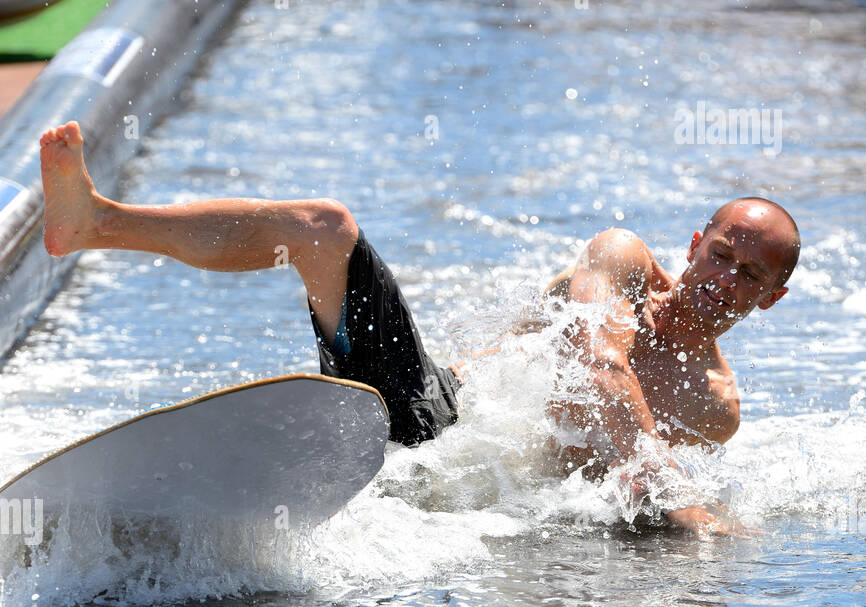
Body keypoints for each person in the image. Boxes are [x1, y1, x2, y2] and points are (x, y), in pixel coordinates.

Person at [39, 121, 798, 534]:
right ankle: (97, 221)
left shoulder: (715, 407)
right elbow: (598, 357)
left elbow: (597, 489)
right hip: (431, 411)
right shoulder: (623, 259)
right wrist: (658, 476)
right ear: (696, 244)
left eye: (751, 277)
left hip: (465, 494)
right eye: (723, 255)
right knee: (325, 228)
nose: (725, 281)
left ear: (770, 300)